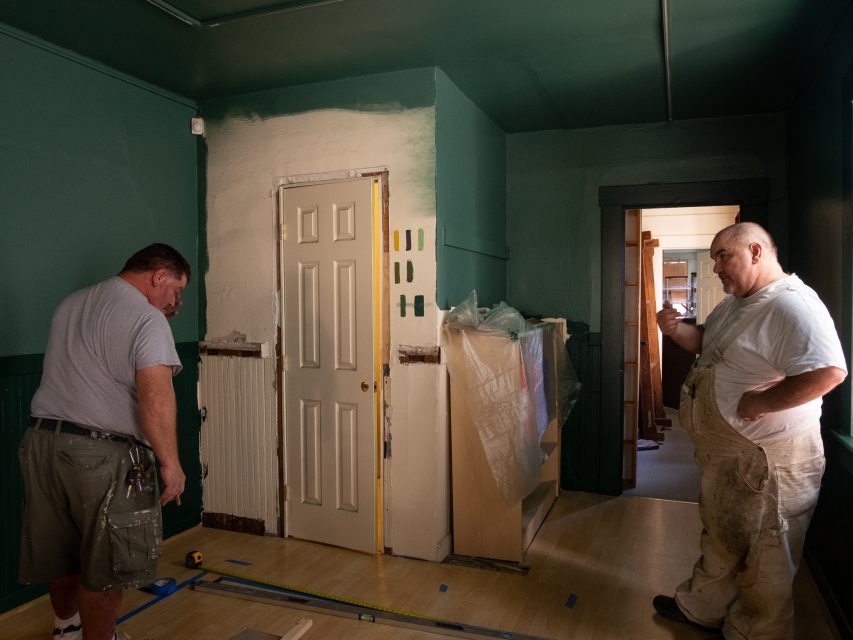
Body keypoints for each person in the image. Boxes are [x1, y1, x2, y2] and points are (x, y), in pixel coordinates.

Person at [652, 222, 847, 639]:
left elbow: (829, 371)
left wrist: (761, 401)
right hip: (729, 457)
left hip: (770, 458)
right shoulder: (735, 304)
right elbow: (707, 343)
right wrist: (673, 330)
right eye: (713, 257)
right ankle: (702, 608)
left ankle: (754, 632)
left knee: (767, 553)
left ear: (756, 252)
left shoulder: (793, 304)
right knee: (722, 535)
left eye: (724, 255)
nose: (716, 266)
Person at [18, 243, 191, 640]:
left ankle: (67, 630)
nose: (175, 301)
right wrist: (170, 462)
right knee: (109, 563)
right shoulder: (147, 319)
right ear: (159, 275)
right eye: (176, 290)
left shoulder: (72, 303)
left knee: (61, 554)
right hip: (101, 455)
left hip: (43, 443)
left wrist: (154, 314)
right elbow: (155, 396)